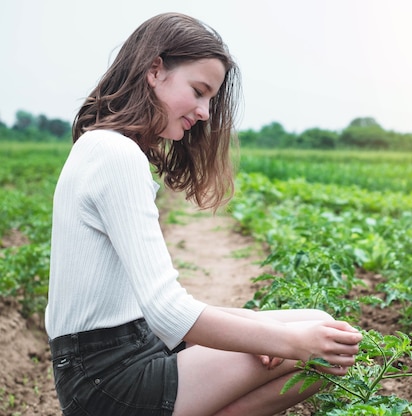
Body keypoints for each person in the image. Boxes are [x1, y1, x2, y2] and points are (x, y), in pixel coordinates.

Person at [45, 12, 362, 416]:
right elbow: (167, 310)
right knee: (325, 349)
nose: (205, 112)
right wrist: (285, 342)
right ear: (155, 70)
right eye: (198, 91)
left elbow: (149, 313)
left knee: (321, 325)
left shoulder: (105, 148)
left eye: (210, 98)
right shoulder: (114, 153)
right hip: (107, 381)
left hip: (119, 355)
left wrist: (264, 334)